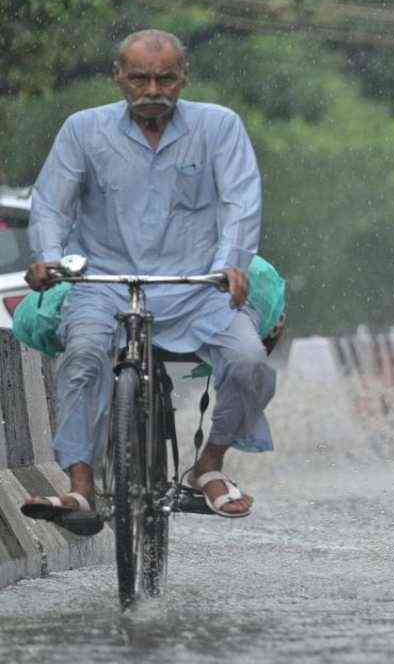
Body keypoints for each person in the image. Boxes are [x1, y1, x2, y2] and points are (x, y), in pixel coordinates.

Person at [19, 29, 275, 533]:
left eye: (165, 78)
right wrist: (48, 259)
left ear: (184, 78)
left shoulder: (219, 126)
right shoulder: (83, 130)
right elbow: (51, 203)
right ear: (119, 77)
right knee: (85, 357)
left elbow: (241, 202)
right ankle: (80, 487)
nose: (153, 89)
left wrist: (232, 263)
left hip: (197, 286)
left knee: (248, 360)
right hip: (104, 284)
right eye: (139, 78)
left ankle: (208, 467)